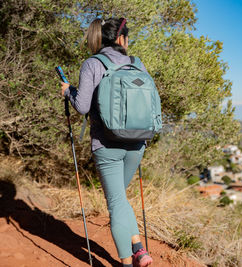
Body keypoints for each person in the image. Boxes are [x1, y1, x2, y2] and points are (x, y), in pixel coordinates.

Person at [60, 18, 153, 267]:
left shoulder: (92, 63)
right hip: (137, 143)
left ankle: (126, 262)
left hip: (106, 144)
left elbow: (81, 106)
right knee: (119, 197)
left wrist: (68, 90)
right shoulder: (137, 63)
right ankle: (138, 249)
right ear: (121, 39)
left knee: (115, 202)